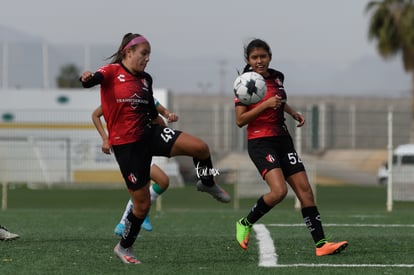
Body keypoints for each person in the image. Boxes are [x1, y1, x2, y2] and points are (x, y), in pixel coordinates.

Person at [81, 33, 230, 264]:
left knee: (200, 147)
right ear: (128, 53)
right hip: (127, 146)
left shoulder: (146, 79)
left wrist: (165, 122)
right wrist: (87, 78)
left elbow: (150, 109)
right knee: (142, 205)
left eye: (149, 54)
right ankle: (124, 247)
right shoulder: (112, 71)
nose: (148, 58)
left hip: (150, 133)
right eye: (144, 53)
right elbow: (92, 80)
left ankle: (207, 182)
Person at [234, 38, 348, 257]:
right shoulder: (244, 82)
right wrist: (266, 105)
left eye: (263, 56)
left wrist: (292, 112)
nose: (259, 61)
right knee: (279, 192)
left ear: (270, 56)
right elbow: (240, 120)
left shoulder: (277, 77)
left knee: (305, 191)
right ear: (248, 60)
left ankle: (321, 244)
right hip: (260, 142)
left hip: (283, 140)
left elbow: (279, 100)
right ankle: (245, 222)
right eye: (255, 57)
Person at [91, 101, 178, 235]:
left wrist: (169, 116)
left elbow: (162, 112)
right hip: (125, 145)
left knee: (155, 183)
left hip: (140, 143)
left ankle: (135, 218)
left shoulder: (143, 94)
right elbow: (96, 115)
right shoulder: (118, 96)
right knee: (160, 181)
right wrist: (105, 139)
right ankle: (125, 222)